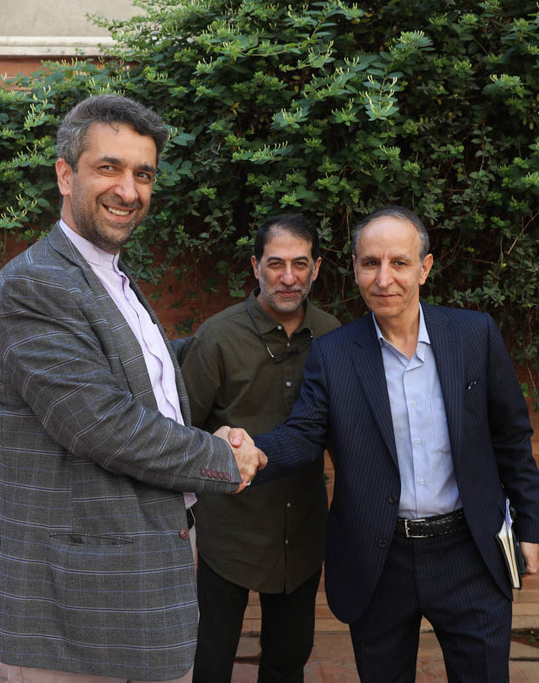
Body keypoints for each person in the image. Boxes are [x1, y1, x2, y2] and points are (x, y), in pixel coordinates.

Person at [0, 94, 266, 682]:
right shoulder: (37, 283)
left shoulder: (112, 278)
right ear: (66, 175)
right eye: (108, 168)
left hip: (138, 574)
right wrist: (222, 459)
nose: (128, 190)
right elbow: (103, 425)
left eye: (143, 174)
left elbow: (140, 386)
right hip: (78, 603)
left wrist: (217, 413)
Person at [252, 206, 539, 682]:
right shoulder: (333, 354)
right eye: (370, 263)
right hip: (379, 558)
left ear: (425, 268)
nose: (383, 279)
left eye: (399, 263)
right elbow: (304, 434)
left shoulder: (475, 335)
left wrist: (529, 525)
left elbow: (511, 437)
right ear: (354, 269)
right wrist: (248, 453)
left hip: (469, 551)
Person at [179, 214, 340, 682]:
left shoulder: (333, 335)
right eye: (275, 264)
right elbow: (180, 431)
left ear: (316, 268)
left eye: (300, 264)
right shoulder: (217, 337)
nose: (288, 277)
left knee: (289, 661)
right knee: (210, 662)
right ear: (255, 266)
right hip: (228, 532)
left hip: (302, 533)